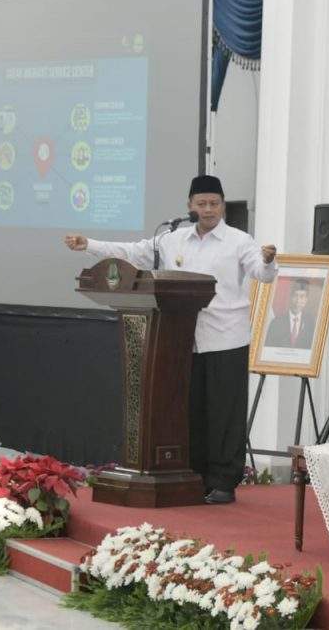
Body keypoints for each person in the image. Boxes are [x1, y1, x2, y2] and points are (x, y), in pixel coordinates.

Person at [64, 174, 278, 505]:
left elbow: (261, 274)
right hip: (180, 340)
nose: (209, 210)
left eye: (215, 204)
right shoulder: (171, 239)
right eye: (202, 204)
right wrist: (89, 244)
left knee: (224, 412)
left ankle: (223, 481)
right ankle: (195, 476)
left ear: (223, 205)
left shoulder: (239, 240)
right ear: (190, 206)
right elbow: (133, 253)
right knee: (189, 411)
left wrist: (267, 260)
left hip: (225, 339)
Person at [266, 279, 318, 349]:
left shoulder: (310, 322)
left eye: (302, 297)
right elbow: (269, 348)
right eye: (295, 296)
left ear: (306, 300)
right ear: (290, 297)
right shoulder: (276, 322)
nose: (298, 301)